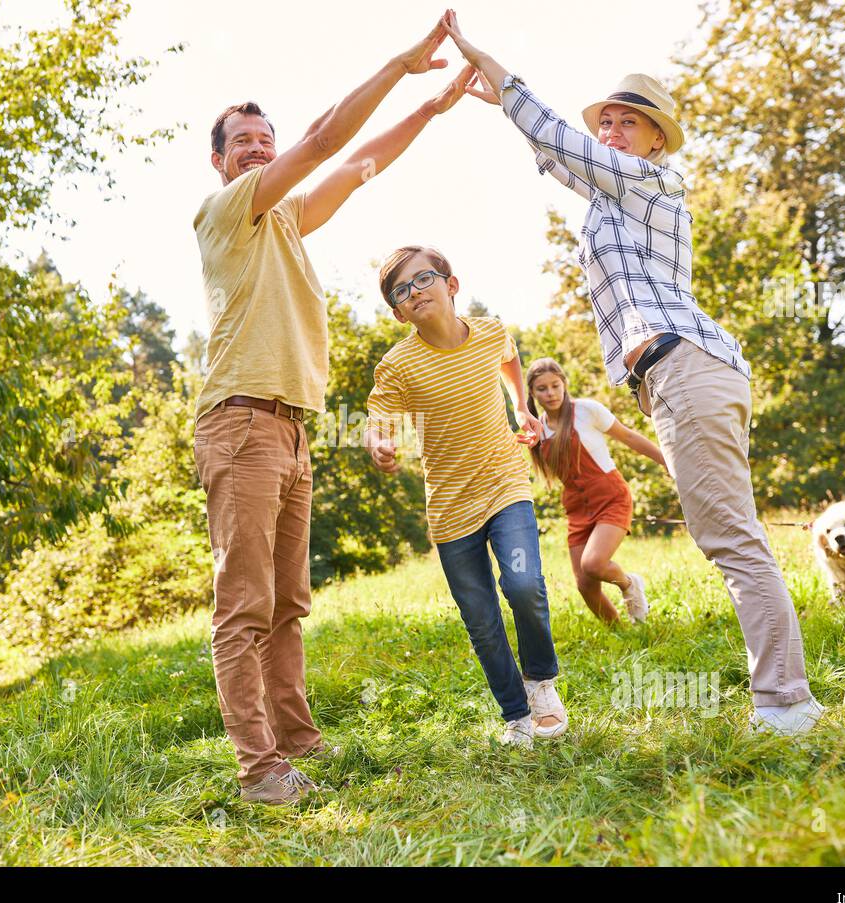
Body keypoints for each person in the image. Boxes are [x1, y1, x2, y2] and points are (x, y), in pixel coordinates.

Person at [440, 9, 824, 735]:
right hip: (675, 379)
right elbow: (557, 156)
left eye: (625, 122)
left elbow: (557, 137)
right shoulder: (617, 196)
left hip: (688, 367)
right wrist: (505, 110)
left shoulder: (651, 184)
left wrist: (482, 58)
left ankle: (786, 702)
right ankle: (784, 697)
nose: (610, 131)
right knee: (728, 537)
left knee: (733, 541)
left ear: (655, 139)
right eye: (606, 121)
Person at [193, 15, 477, 804]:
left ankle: (298, 743)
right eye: (245, 140)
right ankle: (259, 772)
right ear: (222, 161)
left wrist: (431, 107)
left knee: (287, 604)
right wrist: (399, 63)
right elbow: (320, 142)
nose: (259, 147)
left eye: (264, 137)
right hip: (240, 422)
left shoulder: (284, 220)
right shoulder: (228, 215)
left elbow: (354, 163)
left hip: (290, 428)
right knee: (244, 606)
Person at [363, 245, 567, 748]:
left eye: (423, 279)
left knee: (523, 584)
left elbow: (510, 355)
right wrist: (379, 443)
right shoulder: (398, 366)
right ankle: (516, 714)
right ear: (397, 312)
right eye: (401, 291)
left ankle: (540, 684)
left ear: (451, 285)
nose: (414, 292)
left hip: (505, 485)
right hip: (451, 509)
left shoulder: (490, 331)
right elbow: (378, 420)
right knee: (480, 619)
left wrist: (521, 405)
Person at [526, 357, 666, 626]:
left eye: (555, 385)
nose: (551, 393)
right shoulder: (536, 429)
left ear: (564, 385)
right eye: (542, 389)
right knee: (585, 585)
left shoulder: (587, 411)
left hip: (611, 497)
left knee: (593, 564)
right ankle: (622, 634)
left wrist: (665, 461)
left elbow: (628, 437)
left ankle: (629, 584)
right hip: (576, 507)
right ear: (532, 394)